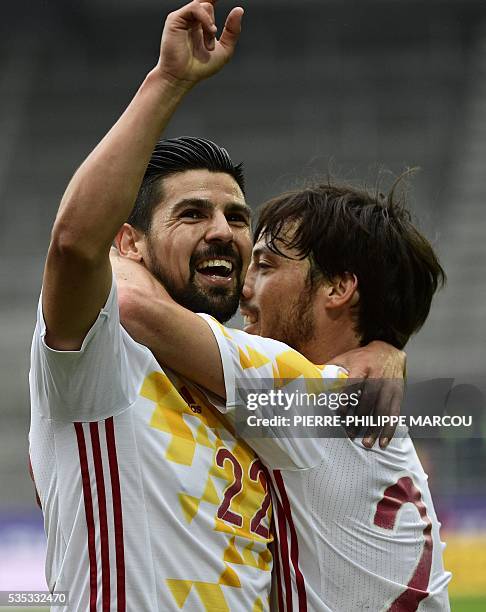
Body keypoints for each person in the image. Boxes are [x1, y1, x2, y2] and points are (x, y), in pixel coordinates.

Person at [28, 2, 405, 610]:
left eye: (236, 217)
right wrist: (169, 81)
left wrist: (384, 351)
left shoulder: (239, 382)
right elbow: (74, 247)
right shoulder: (101, 355)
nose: (224, 231)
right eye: (191, 213)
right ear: (129, 244)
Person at [112, 179, 452, 610]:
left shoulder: (309, 405)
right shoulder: (350, 403)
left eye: (266, 266)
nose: (244, 290)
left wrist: (115, 242)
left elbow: (129, 304)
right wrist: (389, 349)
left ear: (337, 289)